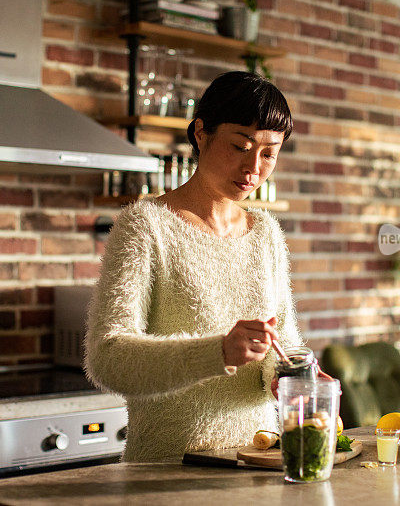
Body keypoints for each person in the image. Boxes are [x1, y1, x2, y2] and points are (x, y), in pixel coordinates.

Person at [84, 71, 323, 462]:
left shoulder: (265, 233)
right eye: (239, 146)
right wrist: (220, 353)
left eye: (269, 153)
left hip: (256, 463)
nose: (253, 168)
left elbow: (283, 345)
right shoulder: (146, 225)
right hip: (168, 467)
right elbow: (107, 358)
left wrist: (297, 374)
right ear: (200, 134)